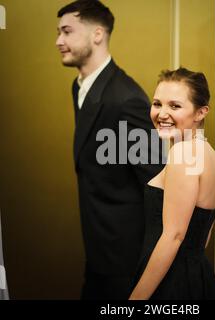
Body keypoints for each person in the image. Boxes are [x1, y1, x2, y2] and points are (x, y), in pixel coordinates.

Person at [56, 0, 163, 299]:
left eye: (67, 31)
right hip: (98, 252)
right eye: (58, 33)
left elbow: (157, 182)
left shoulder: (126, 99)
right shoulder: (79, 86)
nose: (58, 41)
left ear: (97, 34)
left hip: (125, 261)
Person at [129, 68, 215, 300]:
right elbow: (202, 235)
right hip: (196, 276)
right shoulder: (208, 153)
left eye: (174, 106)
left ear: (201, 112)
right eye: (157, 104)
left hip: (172, 284)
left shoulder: (183, 153)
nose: (162, 113)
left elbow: (174, 236)